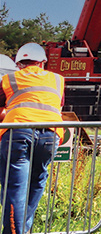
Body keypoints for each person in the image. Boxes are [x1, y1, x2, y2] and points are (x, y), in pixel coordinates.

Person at [0, 44, 67, 234]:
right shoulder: (57, 79)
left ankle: (14, 232)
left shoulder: (9, 79)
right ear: (43, 63)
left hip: (18, 132)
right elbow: (56, 104)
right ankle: (24, 229)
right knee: (37, 180)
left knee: (15, 187)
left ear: (19, 63)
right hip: (50, 135)